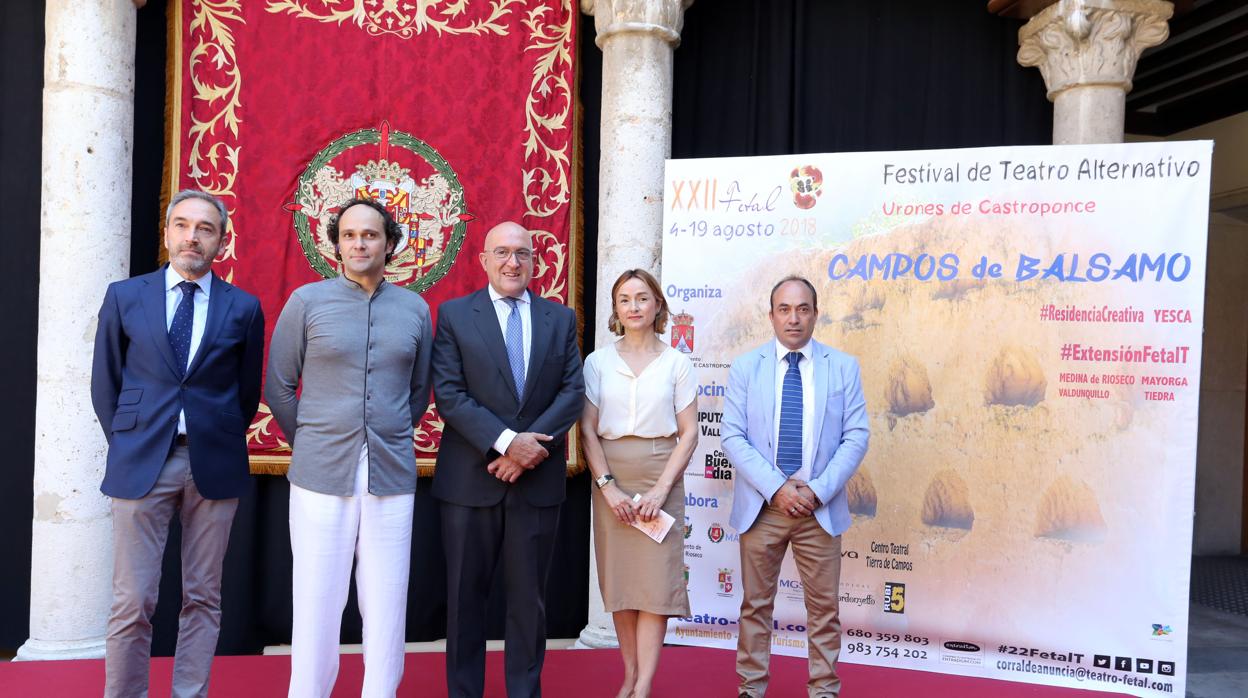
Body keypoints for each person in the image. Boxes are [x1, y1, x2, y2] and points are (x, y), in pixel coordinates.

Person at [91, 189, 265, 698]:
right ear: (167, 234)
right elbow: (107, 383)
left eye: (205, 228)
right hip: (142, 461)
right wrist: (132, 440)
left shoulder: (244, 307)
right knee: (132, 600)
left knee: (203, 598)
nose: (193, 236)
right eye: (183, 225)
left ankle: (190, 693)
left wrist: (213, 433)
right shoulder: (125, 296)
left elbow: (246, 393)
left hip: (212, 464)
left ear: (220, 240)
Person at [266, 198, 433, 697]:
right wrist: (314, 438)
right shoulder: (306, 302)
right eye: (350, 235)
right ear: (336, 243)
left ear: (390, 243)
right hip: (320, 474)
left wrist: (387, 434)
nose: (360, 243)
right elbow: (279, 387)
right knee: (318, 598)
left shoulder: (415, 309)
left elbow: (418, 392)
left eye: (371, 235)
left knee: (385, 601)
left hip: (391, 474)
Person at [431, 221, 584, 698]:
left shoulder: (560, 318)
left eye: (522, 253)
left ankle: (523, 691)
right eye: (501, 252)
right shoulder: (455, 315)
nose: (512, 263)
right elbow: (450, 395)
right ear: (482, 259)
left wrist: (525, 452)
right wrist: (505, 442)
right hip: (469, 483)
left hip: (536, 483)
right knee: (464, 602)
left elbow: (572, 393)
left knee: (528, 603)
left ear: (535, 260)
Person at [721, 276, 870, 698]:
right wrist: (777, 488)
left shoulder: (842, 367)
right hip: (763, 508)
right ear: (771, 316)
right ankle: (751, 688)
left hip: (818, 510)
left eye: (803, 309)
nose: (794, 318)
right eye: (784, 309)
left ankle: (824, 690)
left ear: (815, 314)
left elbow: (856, 436)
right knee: (754, 608)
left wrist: (817, 491)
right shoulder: (746, 367)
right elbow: (732, 436)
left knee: (824, 611)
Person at [580, 269, 698, 698]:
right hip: (611, 476)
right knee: (624, 584)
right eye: (625, 299)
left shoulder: (677, 362)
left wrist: (661, 490)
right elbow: (588, 430)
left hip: (660, 475)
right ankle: (627, 675)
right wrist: (607, 486)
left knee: (654, 585)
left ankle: (645, 684)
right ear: (615, 309)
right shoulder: (597, 362)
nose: (633, 306)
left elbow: (689, 433)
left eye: (642, 298)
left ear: (657, 306)